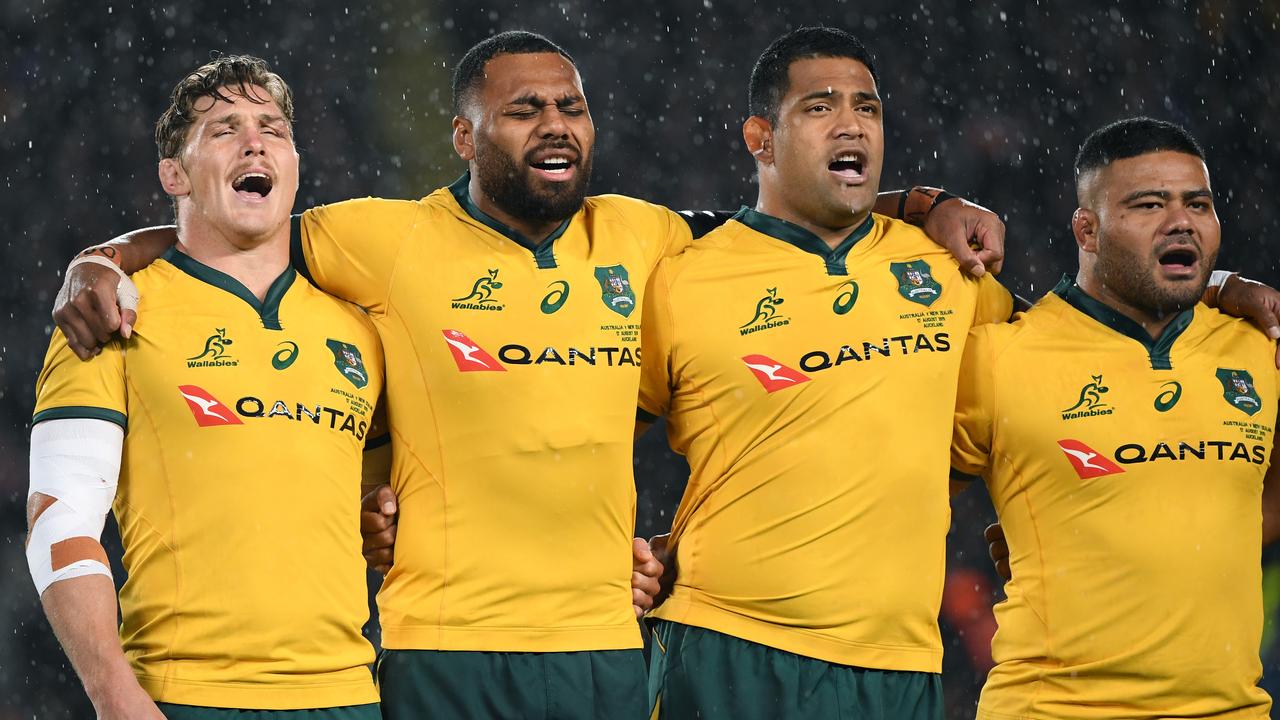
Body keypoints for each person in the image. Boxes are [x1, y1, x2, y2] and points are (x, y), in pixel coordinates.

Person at [51, 32, 1007, 719]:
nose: (555, 124)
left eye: (572, 107)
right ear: (466, 139)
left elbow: (784, 225)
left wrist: (919, 201)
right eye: (524, 109)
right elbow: (230, 241)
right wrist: (100, 259)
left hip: (606, 650)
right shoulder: (384, 240)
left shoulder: (650, 239)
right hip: (442, 652)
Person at [631, 27, 1012, 719]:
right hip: (728, 649)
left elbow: (1068, 375)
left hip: (899, 664)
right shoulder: (682, 279)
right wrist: (603, 552)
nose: (852, 125)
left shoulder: (954, 272)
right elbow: (581, 423)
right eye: (820, 106)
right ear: (760, 137)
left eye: (867, 108)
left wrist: (1224, 287)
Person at [28, 56, 385, 719]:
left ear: (295, 164)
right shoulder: (109, 312)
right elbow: (60, 519)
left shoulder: (362, 328)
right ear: (174, 173)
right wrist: (114, 693)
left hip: (349, 699)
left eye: (273, 129)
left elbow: (405, 495)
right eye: (224, 129)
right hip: (181, 700)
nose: (255, 141)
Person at [952, 117, 1275, 718]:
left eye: (1197, 204)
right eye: (1149, 204)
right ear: (1088, 229)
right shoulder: (1000, 356)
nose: (1180, 221)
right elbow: (897, 502)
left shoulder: (1259, 348)